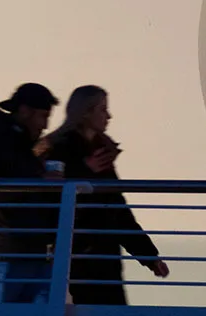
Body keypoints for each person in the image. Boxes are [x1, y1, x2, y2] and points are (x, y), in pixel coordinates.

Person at [44, 85, 168, 304]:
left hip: (105, 257)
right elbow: (49, 195)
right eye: (102, 109)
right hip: (76, 258)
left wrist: (149, 256)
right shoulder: (57, 149)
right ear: (85, 112)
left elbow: (118, 212)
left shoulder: (101, 152)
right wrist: (83, 171)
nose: (109, 116)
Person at [0, 82, 58, 303]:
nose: (45, 125)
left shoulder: (24, 148)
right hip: (6, 255)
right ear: (25, 111)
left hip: (22, 254)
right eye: (43, 116)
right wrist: (39, 182)